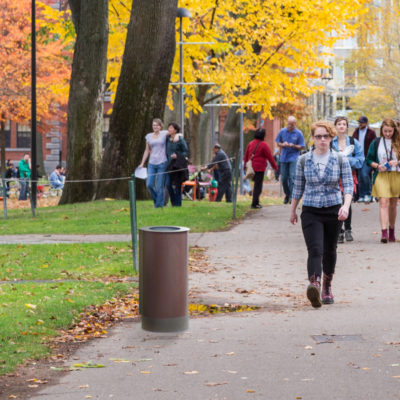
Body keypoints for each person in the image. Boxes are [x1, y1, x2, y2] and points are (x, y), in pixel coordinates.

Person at [290, 121, 353, 308]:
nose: (322, 140)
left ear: (331, 137)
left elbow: (348, 186)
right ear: (313, 138)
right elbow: (298, 186)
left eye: (326, 136)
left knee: (330, 249)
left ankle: (327, 284)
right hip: (311, 210)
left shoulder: (340, 159)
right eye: (318, 136)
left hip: (334, 209)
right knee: (315, 249)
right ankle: (314, 284)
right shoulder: (303, 160)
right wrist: (293, 210)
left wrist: (346, 206)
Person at [366, 118, 400, 243]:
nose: (387, 134)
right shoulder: (376, 142)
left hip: (396, 175)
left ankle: (392, 230)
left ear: (394, 130)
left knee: (393, 205)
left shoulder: (398, 141)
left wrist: (397, 162)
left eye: (390, 131)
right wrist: (377, 166)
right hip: (381, 175)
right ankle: (384, 233)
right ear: (381, 130)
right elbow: (368, 160)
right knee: (383, 203)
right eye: (385, 131)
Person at [332, 116, 364, 243]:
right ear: (335, 126)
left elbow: (360, 161)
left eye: (344, 124)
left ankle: (348, 229)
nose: (341, 126)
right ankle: (339, 231)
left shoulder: (353, 142)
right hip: (334, 176)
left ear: (347, 127)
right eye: (339, 124)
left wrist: (345, 159)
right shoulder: (330, 142)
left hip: (349, 175)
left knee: (346, 201)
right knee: (336, 202)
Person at [139, 119, 169, 208]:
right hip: (151, 163)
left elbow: (174, 132)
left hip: (162, 162)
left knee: (159, 185)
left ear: (160, 126)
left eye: (157, 125)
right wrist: (142, 163)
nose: (155, 127)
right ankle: (159, 201)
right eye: (153, 125)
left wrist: (179, 135)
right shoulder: (148, 136)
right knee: (149, 184)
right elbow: (147, 150)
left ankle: (158, 205)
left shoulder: (164, 133)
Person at [244, 128, 278, 209]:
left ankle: (255, 202)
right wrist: (275, 167)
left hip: (251, 167)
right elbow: (270, 157)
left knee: (256, 185)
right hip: (260, 168)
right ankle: (255, 203)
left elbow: (246, 155)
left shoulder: (250, 143)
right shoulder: (264, 145)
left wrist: (244, 166)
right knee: (258, 186)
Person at [275, 116, 305, 204]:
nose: (290, 126)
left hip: (294, 157)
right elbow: (277, 143)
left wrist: (294, 146)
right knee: (284, 178)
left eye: (292, 124)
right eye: (289, 124)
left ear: (295, 124)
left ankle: (292, 197)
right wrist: (282, 144)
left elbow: (302, 146)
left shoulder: (299, 133)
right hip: (284, 157)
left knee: (292, 177)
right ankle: (287, 194)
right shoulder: (282, 131)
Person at [352, 116, 377, 203]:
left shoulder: (371, 132)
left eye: (362, 122)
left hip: (367, 157)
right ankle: (361, 195)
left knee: (365, 174)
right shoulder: (356, 131)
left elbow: (374, 145)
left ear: (366, 123)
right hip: (358, 157)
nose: (360, 124)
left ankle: (368, 194)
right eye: (359, 122)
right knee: (359, 177)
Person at [165, 122, 188, 207]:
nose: (169, 129)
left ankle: (177, 204)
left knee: (177, 185)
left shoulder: (180, 139)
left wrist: (177, 156)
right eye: (169, 128)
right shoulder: (167, 138)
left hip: (177, 165)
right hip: (168, 165)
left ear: (175, 130)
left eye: (171, 128)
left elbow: (186, 152)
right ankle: (173, 202)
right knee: (168, 184)